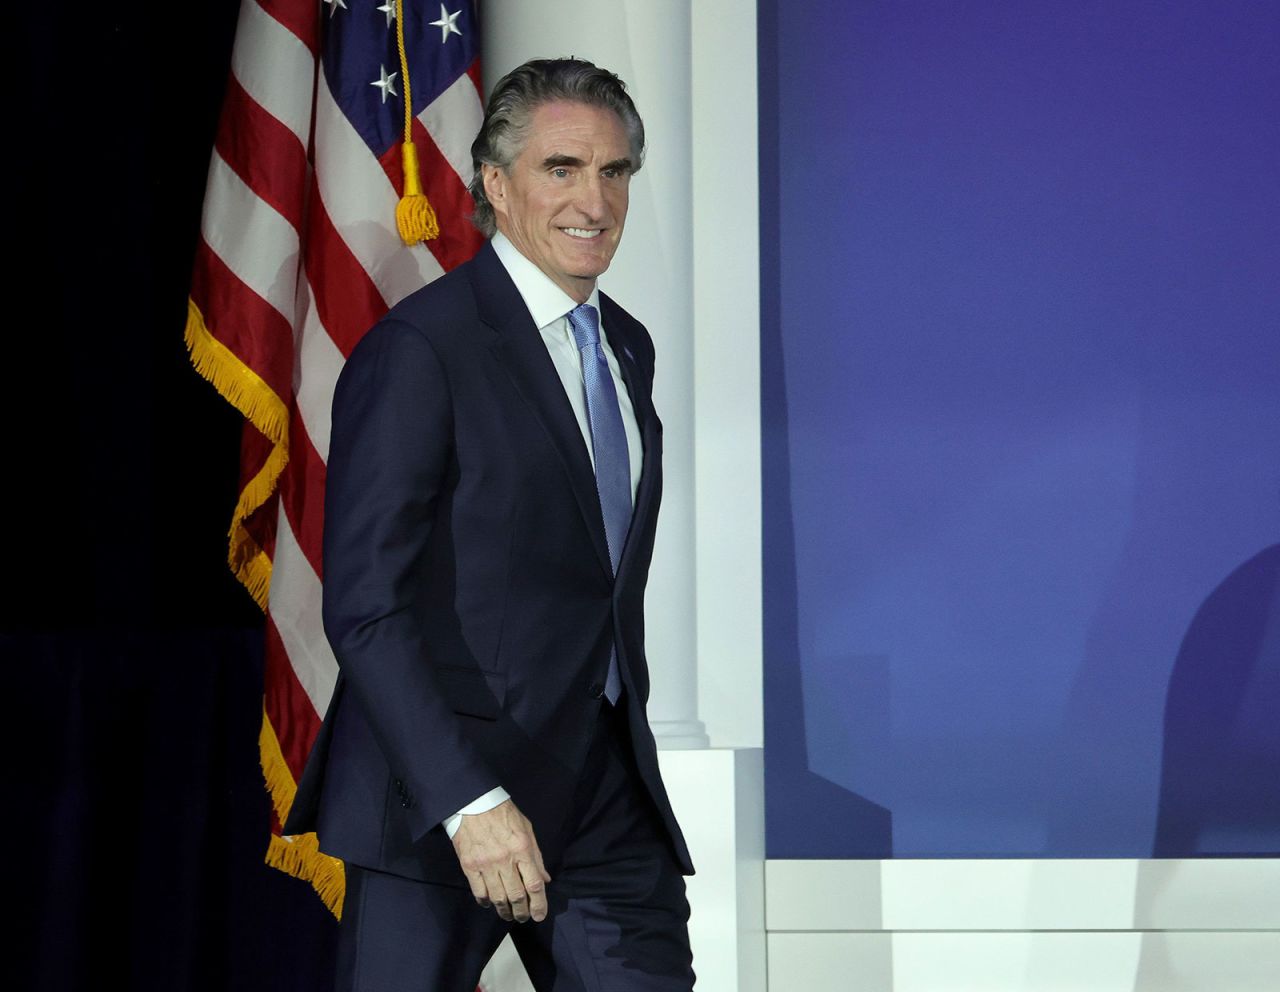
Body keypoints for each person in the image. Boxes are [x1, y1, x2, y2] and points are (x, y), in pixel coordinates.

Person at [284, 58, 696, 991]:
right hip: (439, 803)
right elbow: (365, 606)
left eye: (616, 170)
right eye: (562, 168)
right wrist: (469, 802)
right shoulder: (422, 350)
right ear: (496, 186)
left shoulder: (626, 344)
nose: (595, 198)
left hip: (603, 797)